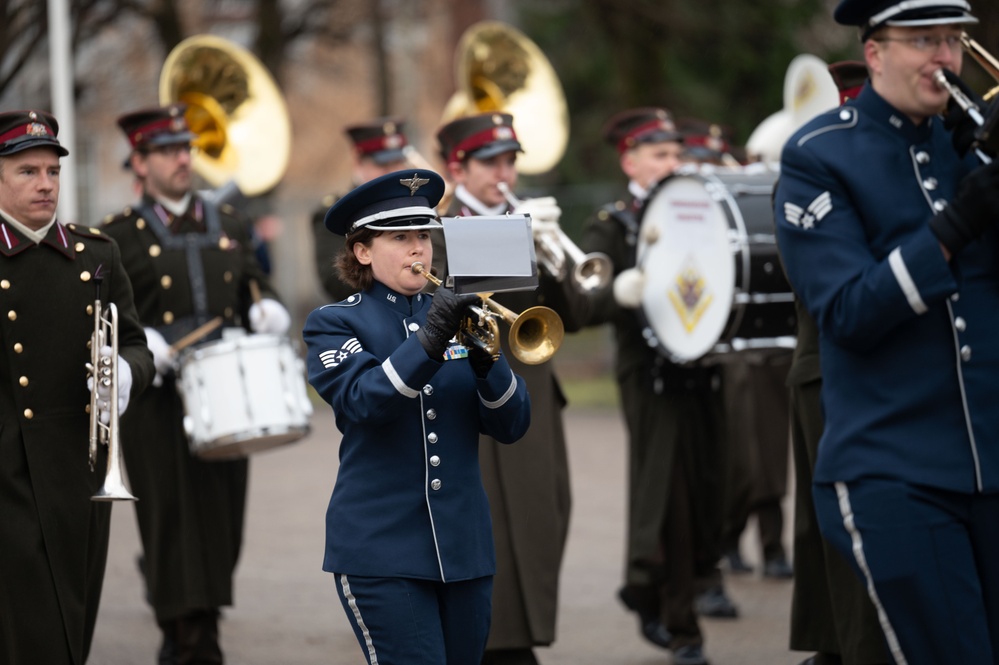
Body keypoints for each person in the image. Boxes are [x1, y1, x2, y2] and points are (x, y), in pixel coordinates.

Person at [775, 1, 999, 662]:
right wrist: (956, 225)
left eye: (954, 40)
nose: (945, 57)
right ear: (873, 52)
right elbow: (846, 310)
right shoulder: (819, 155)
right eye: (922, 40)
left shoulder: (971, 146)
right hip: (895, 470)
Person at [303, 168, 532, 664]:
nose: (418, 251)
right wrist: (428, 341)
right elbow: (364, 400)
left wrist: (488, 362)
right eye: (400, 238)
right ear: (362, 251)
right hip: (380, 549)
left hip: (464, 549)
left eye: (424, 237)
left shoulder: (458, 314)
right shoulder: (334, 322)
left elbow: (512, 425)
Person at [101, 103, 291, 664]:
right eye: (166, 150)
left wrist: (271, 311)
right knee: (170, 523)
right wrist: (141, 347)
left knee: (222, 522)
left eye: (185, 148)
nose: (182, 159)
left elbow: (258, 287)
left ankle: (198, 626)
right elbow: (99, 321)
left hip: (229, 396)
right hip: (158, 405)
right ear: (139, 161)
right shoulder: (118, 238)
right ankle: (186, 638)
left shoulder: (231, 225)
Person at [435, 112, 592, 665]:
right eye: (491, 162)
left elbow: (577, 313)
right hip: (475, 395)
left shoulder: (531, 224)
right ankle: (501, 645)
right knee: (494, 521)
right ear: (459, 166)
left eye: (510, 160)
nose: (505, 172)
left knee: (547, 510)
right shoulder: (438, 233)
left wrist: (557, 259)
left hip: (536, 394)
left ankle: (523, 636)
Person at [0, 110, 154, 664]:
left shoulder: (97, 255)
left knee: (73, 618)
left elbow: (135, 344)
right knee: (29, 630)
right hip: (9, 475)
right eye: (27, 171)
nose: (45, 184)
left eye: (52, 171)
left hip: (80, 469)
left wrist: (127, 375)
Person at [578, 107, 724, 665]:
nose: (673, 163)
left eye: (676, 153)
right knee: (670, 498)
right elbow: (582, 302)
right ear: (630, 160)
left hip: (702, 368)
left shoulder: (696, 209)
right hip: (651, 374)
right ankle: (678, 620)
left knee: (711, 486)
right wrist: (617, 292)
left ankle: (656, 588)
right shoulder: (611, 224)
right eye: (660, 154)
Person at [781, 60, 890, 665]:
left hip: (836, 367)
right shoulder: (809, 176)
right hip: (827, 367)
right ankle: (846, 645)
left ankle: (838, 645)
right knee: (839, 524)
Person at [312, 117, 411, 301]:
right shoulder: (336, 212)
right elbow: (336, 282)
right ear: (358, 161)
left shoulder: (415, 206)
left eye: (398, 162)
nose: (393, 172)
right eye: (382, 165)